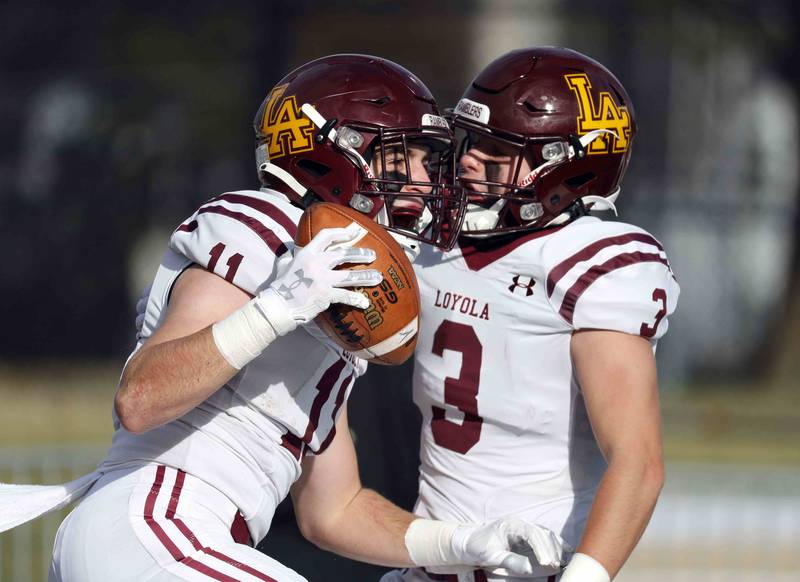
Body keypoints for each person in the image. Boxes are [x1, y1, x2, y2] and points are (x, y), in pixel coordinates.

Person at [0, 54, 566, 581]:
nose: (421, 179)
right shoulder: (267, 228)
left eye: (424, 160)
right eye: (402, 156)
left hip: (188, 540)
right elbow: (142, 398)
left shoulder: (333, 289)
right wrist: (277, 306)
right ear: (334, 153)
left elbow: (334, 510)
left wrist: (463, 542)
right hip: (154, 521)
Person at [382, 47, 680, 582]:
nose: (468, 159)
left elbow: (637, 462)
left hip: (535, 569)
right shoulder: (431, 242)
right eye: (469, 141)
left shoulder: (591, 260)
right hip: (431, 561)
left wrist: (586, 576)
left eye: (496, 149)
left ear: (568, 168)